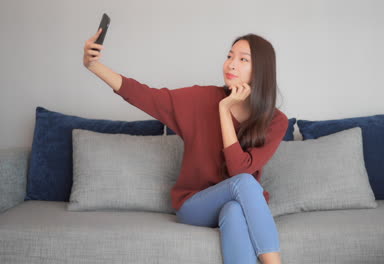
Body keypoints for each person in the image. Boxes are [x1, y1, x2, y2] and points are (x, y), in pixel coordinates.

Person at [83, 28, 288, 264]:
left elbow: (239, 169)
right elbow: (147, 96)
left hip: (238, 204)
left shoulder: (275, 121)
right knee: (244, 182)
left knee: (233, 209)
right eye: (230, 56)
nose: (231, 64)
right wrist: (94, 66)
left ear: (261, 71)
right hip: (194, 204)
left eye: (243, 60)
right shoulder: (202, 99)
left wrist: (225, 110)